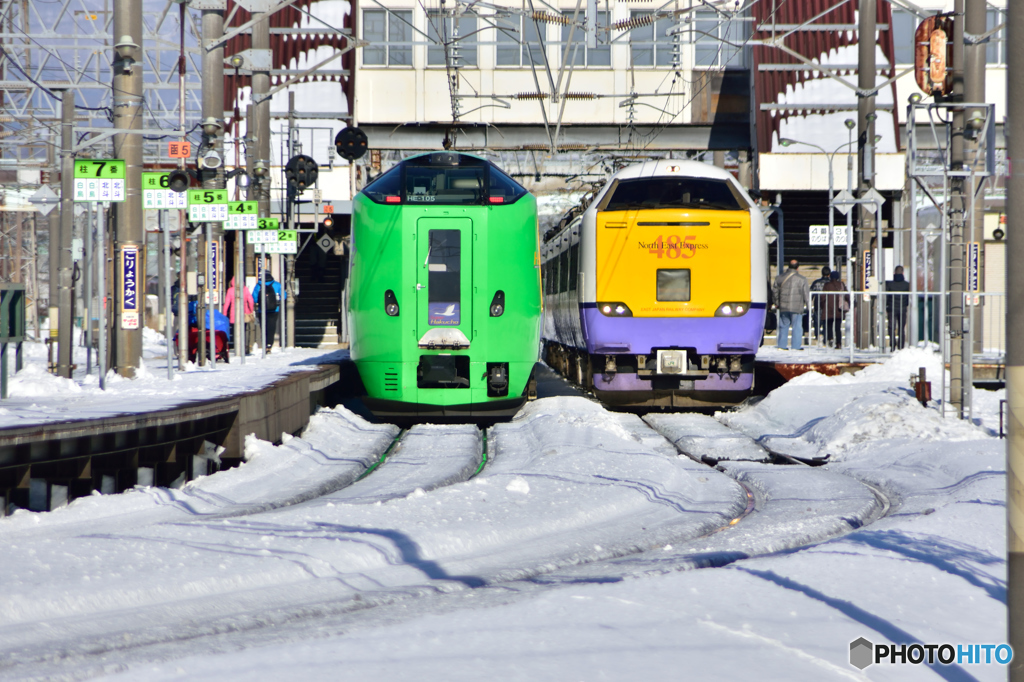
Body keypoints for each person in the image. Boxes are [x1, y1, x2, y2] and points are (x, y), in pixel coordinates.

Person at [773, 259, 810, 350]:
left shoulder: (779, 278)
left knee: (783, 326)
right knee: (797, 327)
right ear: (797, 268)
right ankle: (796, 346)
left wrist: (777, 303)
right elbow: (806, 294)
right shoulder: (802, 279)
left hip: (784, 306)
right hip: (797, 307)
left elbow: (775, 292)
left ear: (788, 266)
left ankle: (781, 345)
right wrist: (809, 307)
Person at [252, 272, 284, 352]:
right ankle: (269, 345)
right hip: (274, 310)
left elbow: (254, 298)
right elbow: (284, 296)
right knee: (271, 328)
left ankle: (264, 343)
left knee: (264, 327)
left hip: (261, 310)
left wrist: (259, 302)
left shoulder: (258, 285)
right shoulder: (277, 285)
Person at [885, 265, 911, 351]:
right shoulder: (907, 285)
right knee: (901, 328)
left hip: (892, 308)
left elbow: (887, 297)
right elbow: (908, 297)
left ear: (894, 273)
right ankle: (901, 346)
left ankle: (892, 345)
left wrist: (887, 306)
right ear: (903, 273)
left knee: (891, 327)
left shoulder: (889, 284)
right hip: (902, 308)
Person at [822, 271, 849, 349]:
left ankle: (830, 338)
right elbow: (846, 295)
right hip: (839, 309)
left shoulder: (827, 285)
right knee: (838, 327)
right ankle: (838, 343)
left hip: (828, 308)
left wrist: (822, 306)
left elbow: (823, 297)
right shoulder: (841, 285)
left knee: (829, 325)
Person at [810, 266, 831, 343]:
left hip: (818, 304)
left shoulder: (816, 283)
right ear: (829, 274)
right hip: (828, 306)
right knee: (826, 322)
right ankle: (826, 338)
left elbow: (811, 294)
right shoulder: (831, 283)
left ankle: (817, 336)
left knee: (817, 322)